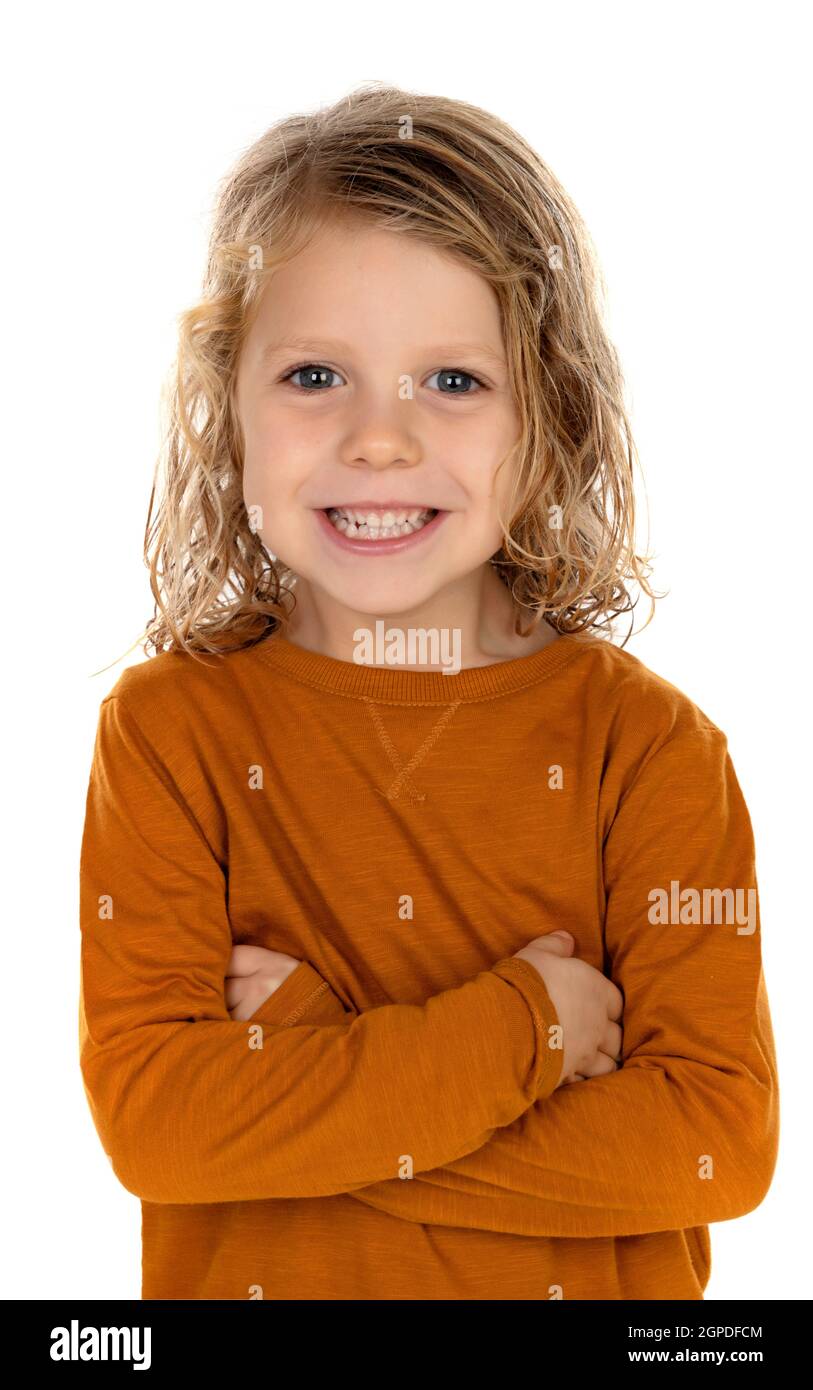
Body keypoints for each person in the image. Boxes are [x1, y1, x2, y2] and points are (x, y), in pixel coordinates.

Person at [78, 83, 778, 1300]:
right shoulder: (166, 736)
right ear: (226, 404)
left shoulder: (653, 749)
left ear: (548, 411)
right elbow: (162, 1129)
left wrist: (300, 1070)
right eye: (314, 375)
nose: (381, 440)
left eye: (452, 382)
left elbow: (715, 1143)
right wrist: (530, 1033)